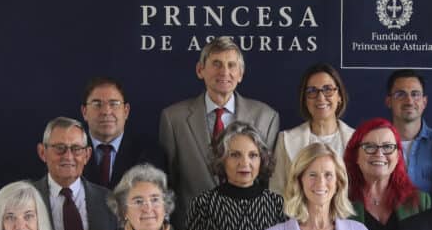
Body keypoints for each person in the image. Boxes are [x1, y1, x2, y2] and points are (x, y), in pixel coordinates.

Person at [159, 36, 281, 215]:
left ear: (240, 74)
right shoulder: (173, 118)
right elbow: (166, 183)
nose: (224, 72)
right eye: (216, 64)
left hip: (249, 229)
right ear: (200, 70)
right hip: (192, 229)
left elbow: (267, 181)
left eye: (231, 65)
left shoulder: (266, 117)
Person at [31, 117, 117, 230]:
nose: (68, 156)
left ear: (87, 155)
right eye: (59, 148)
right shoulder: (24, 201)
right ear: (42, 152)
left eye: (76, 149)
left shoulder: (110, 202)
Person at [270, 63, 355, 195]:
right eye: (312, 91)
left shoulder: (358, 140)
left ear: (339, 96)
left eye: (328, 89)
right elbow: (276, 192)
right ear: (304, 100)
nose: (320, 97)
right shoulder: (285, 140)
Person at [81, 76, 166, 189]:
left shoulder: (150, 153)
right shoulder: (70, 152)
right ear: (84, 112)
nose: (106, 111)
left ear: (126, 111)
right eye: (97, 104)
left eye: (114, 104)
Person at [384, 69, 432, 201]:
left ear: (424, 102)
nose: (409, 101)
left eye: (415, 94)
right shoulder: (374, 145)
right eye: (400, 94)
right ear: (389, 101)